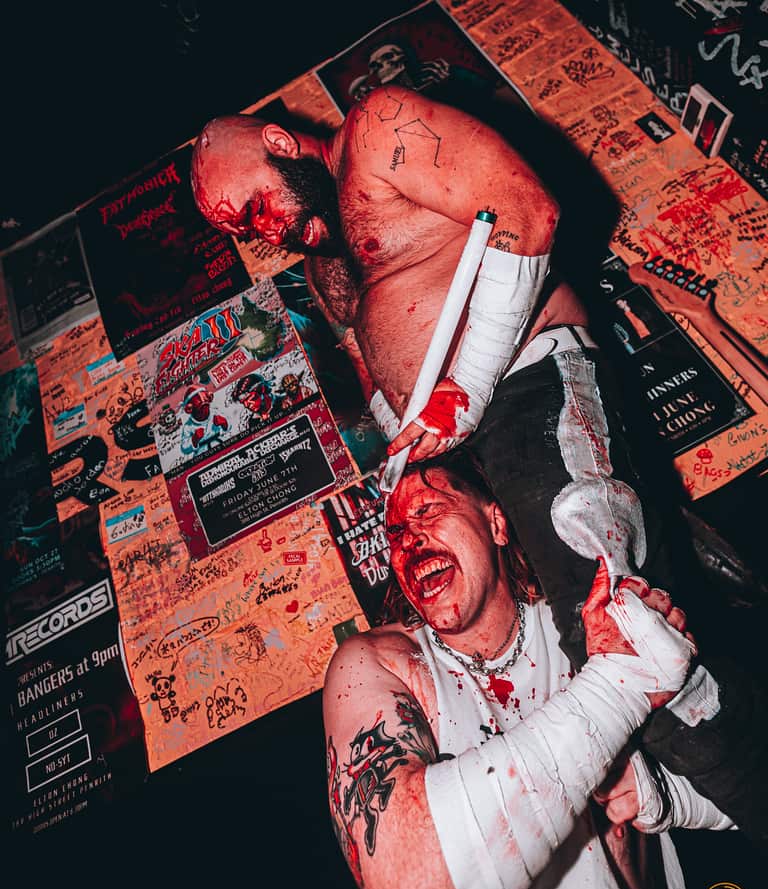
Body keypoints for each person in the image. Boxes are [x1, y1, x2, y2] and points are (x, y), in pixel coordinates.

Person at [189, 86, 768, 840]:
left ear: (278, 141)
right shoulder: (329, 261)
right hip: (460, 451)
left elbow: (530, 213)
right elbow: (388, 361)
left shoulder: (379, 127)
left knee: (615, 635)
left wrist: (465, 386)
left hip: (525, 382)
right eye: (244, 228)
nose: (263, 230)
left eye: (256, 204)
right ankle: (686, 801)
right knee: (568, 670)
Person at [323, 450, 728, 889]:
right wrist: (618, 684)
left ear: (495, 522)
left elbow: (744, 776)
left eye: (427, 510)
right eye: (395, 533)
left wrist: (656, 791)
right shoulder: (377, 662)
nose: (409, 539)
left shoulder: (586, 626)